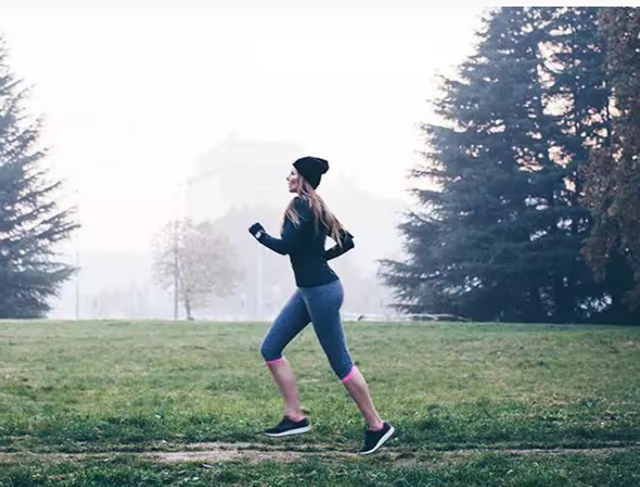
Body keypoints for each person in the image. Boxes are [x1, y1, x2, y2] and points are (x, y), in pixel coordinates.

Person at [248, 156, 395, 455]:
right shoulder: (317, 205)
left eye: (291, 173)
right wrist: (319, 260)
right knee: (270, 348)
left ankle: (377, 426)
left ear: (302, 178)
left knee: (340, 362)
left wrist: (259, 234)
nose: (287, 177)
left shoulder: (301, 205)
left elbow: (286, 247)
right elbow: (347, 242)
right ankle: (295, 417)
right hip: (310, 290)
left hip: (321, 292)